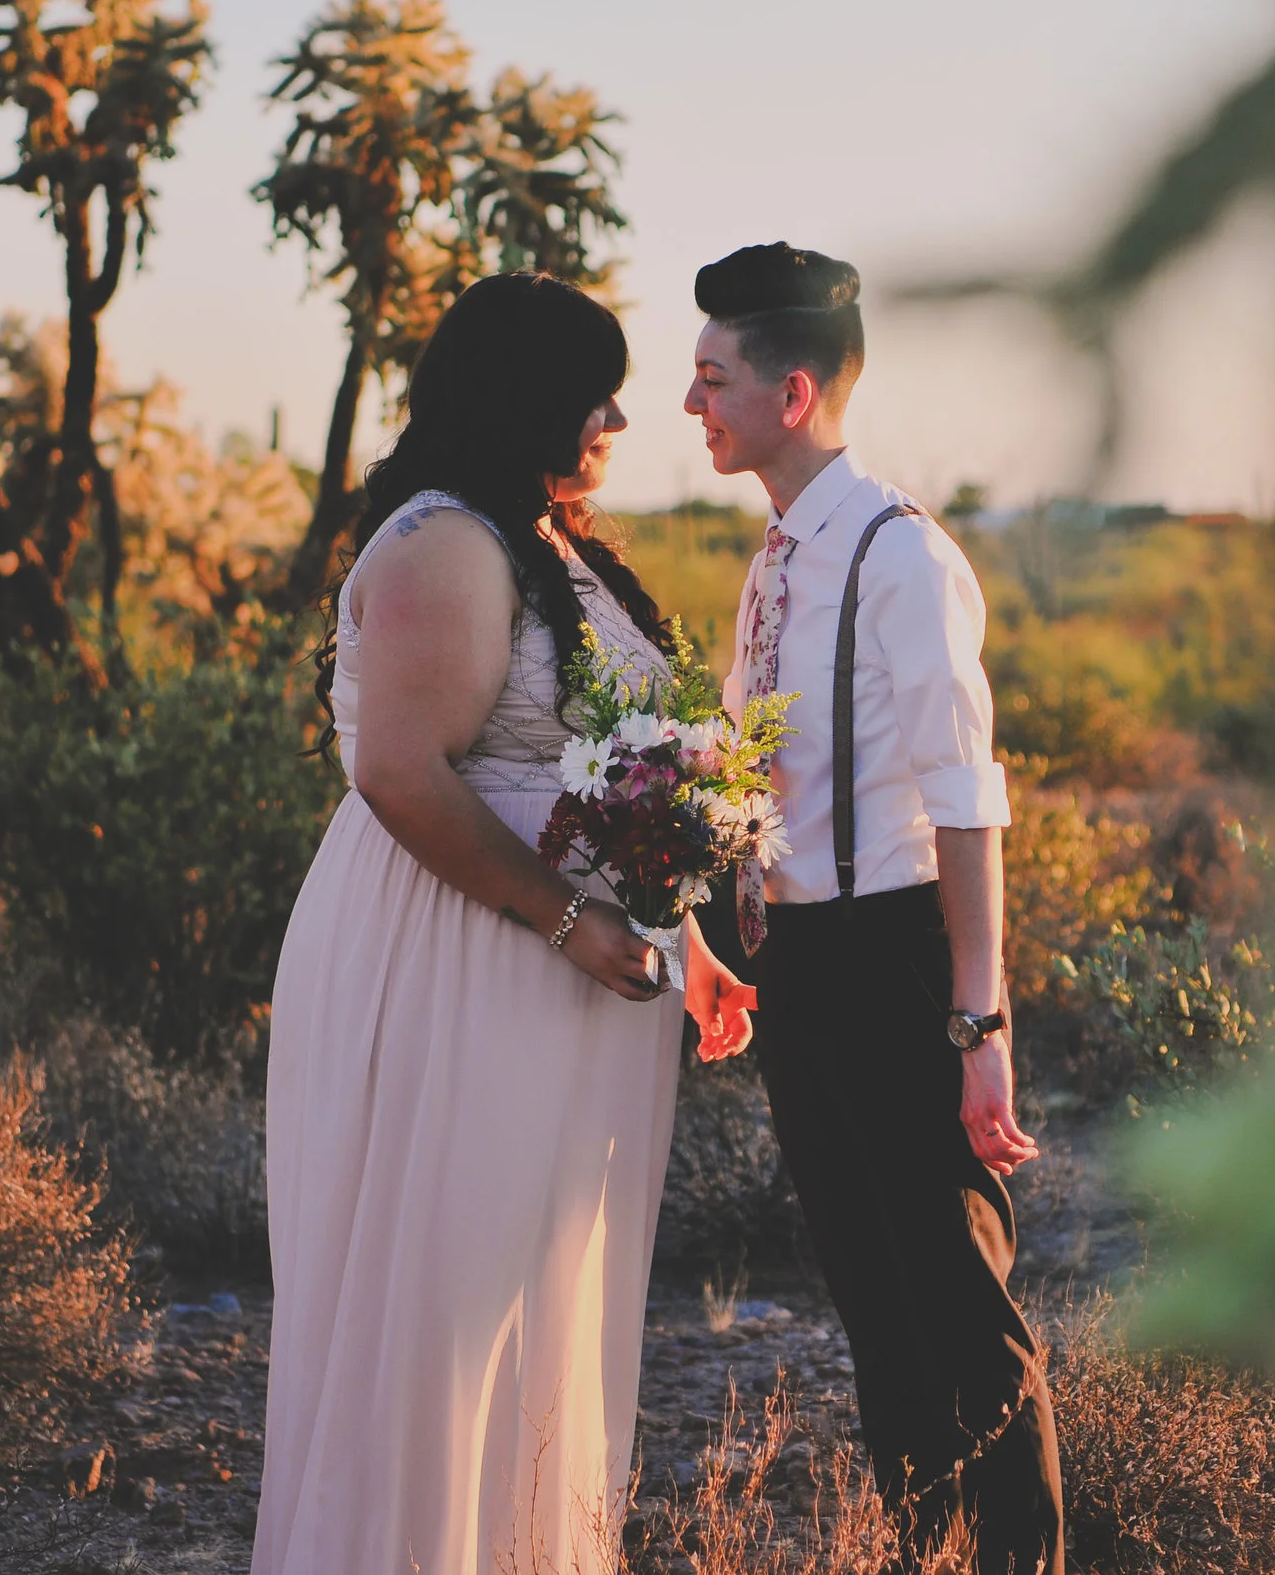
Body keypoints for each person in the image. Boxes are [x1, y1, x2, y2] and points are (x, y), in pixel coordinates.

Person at [256, 273, 756, 1575]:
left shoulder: (547, 543)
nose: (618, 419)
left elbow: (599, 766)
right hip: (461, 960)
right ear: (525, 398)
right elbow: (403, 773)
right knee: (446, 1299)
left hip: (563, 971)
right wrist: (565, 927)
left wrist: (683, 935)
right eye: (596, 391)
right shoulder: (445, 545)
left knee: (538, 1302)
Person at [685, 242, 1066, 1575]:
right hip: (801, 971)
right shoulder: (775, 560)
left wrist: (980, 1021)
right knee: (873, 1309)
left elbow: (968, 795)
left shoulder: (902, 557)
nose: (693, 406)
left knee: (963, 1309)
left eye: (713, 377)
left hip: (899, 961)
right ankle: (926, 1554)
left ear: (792, 394)